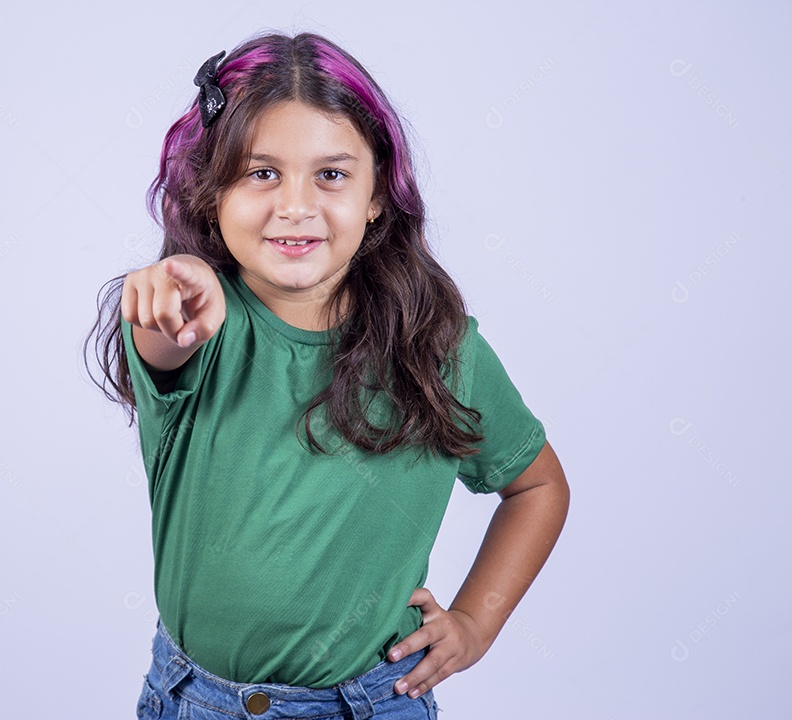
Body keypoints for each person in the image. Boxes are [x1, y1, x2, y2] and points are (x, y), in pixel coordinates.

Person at [85, 29, 570, 720]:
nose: (296, 205)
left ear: (377, 194)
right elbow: (166, 333)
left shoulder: (437, 346)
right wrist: (174, 287)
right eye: (261, 173)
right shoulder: (203, 325)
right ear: (211, 195)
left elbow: (538, 485)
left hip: (373, 703)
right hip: (198, 702)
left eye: (332, 174)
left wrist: (474, 622)